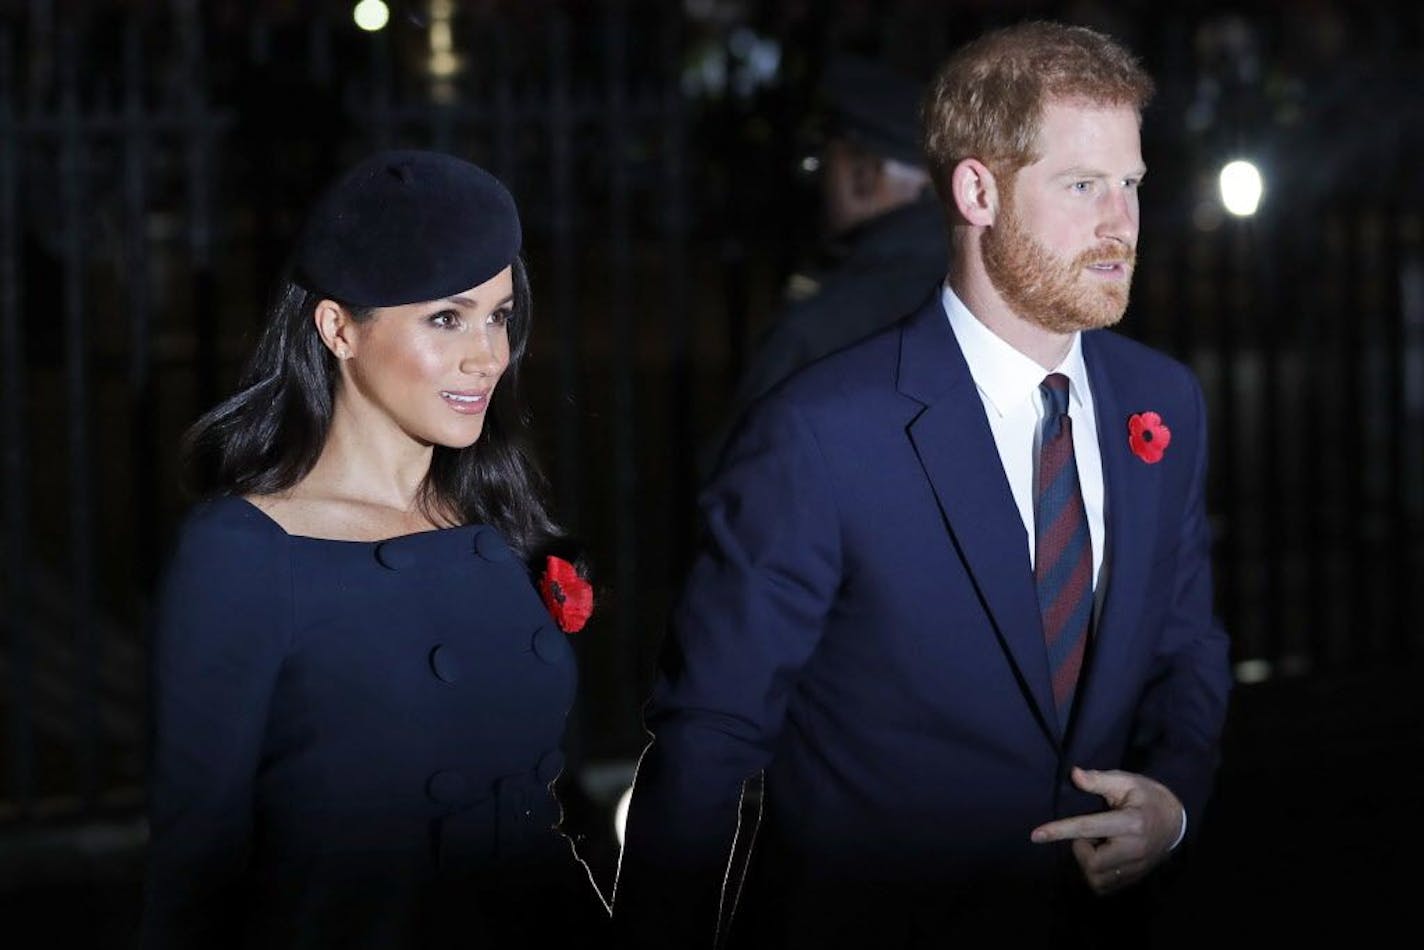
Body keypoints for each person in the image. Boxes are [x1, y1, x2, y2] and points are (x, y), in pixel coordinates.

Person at [614, 20, 1232, 949]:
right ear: (977, 190)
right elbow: (708, 737)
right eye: (1081, 186)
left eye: (1132, 185)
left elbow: (1186, 644)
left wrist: (1173, 801)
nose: (1121, 224)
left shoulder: (1161, 400)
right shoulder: (819, 432)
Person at [141, 149, 609, 948]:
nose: (487, 355)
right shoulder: (246, 551)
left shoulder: (495, 518)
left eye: (498, 315)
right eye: (445, 318)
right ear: (338, 328)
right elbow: (196, 862)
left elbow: (550, 793)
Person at [701, 53, 947, 479]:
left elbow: (744, 481)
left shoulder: (823, 325)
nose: (818, 183)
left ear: (864, 175)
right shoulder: (995, 293)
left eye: (822, 163)